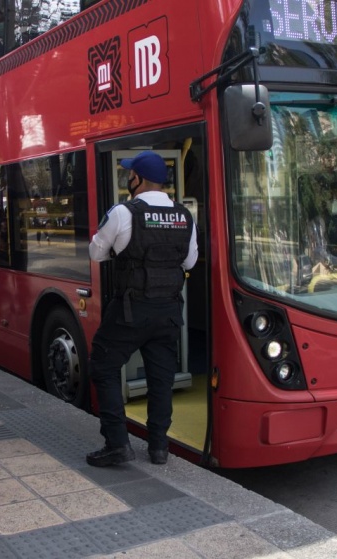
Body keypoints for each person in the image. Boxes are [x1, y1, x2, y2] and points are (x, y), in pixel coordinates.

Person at [86, 151, 198, 467]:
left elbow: (97, 252)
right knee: (161, 378)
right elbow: (189, 262)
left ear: (138, 179)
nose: (128, 178)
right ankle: (159, 448)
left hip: (131, 310)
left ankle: (117, 444)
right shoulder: (183, 216)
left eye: (130, 173)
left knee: (104, 366)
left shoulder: (124, 212)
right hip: (169, 312)